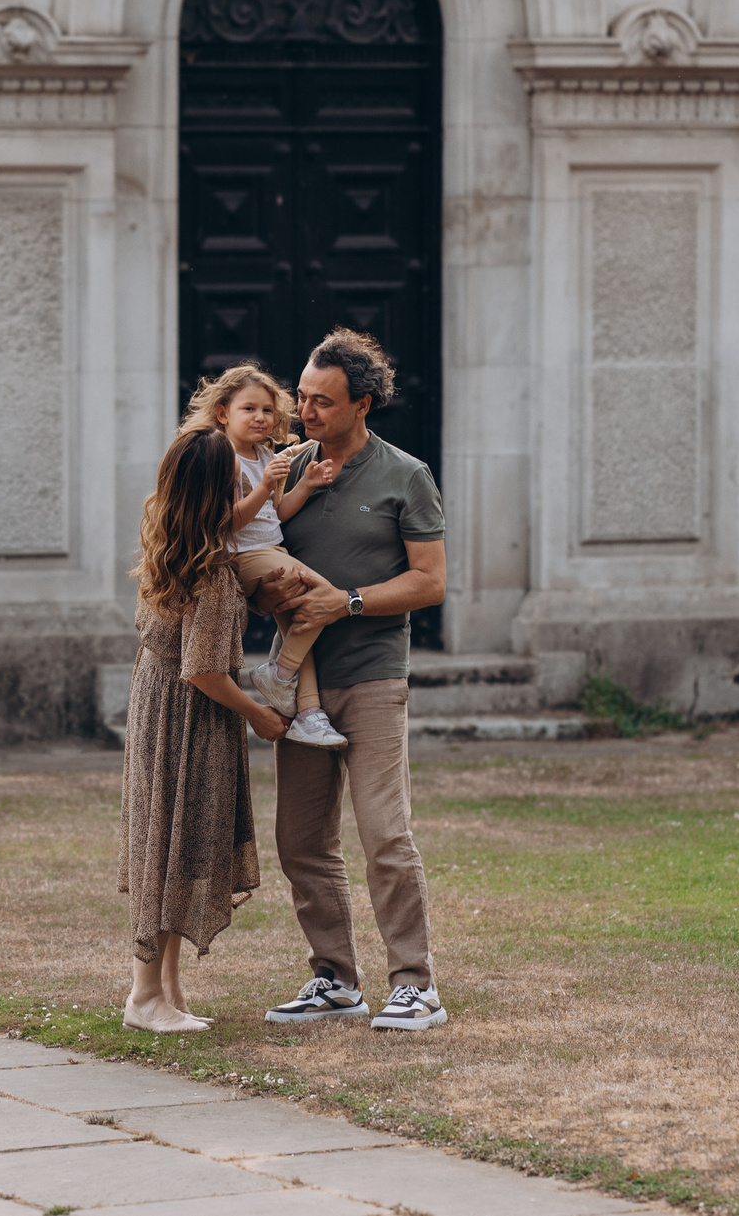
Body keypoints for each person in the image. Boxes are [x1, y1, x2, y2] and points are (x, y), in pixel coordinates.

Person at [251, 329, 449, 1032]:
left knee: (385, 835)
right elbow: (249, 549)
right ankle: (335, 979)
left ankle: (416, 986)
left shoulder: (407, 476)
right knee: (300, 841)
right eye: (302, 396)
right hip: (299, 685)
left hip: (371, 679)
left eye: (323, 402)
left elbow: (430, 582)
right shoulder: (283, 468)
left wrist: (350, 601)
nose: (304, 412)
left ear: (363, 404)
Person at [118, 424, 273, 1034]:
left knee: (172, 845)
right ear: (215, 491)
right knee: (172, 845)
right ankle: (143, 997)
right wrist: (259, 714)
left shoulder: (171, 544)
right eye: (233, 480)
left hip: (158, 704)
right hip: (187, 715)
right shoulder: (208, 572)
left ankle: (167, 990)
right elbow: (204, 670)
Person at [177, 365, 348, 750]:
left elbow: (276, 513)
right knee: (324, 595)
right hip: (245, 555)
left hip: (272, 550)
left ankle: (308, 714)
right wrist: (266, 482)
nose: (260, 417)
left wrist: (305, 484)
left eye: (268, 410)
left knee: (299, 620)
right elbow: (228, 523)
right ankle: (280, 672)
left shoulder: (265, 454)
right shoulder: (222, 456)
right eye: (249, 409)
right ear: (223, 413)